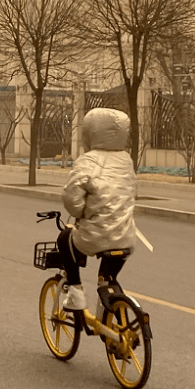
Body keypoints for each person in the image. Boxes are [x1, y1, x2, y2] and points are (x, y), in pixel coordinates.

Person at [57, 107, 138, 311]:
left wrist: (81, 212)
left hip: (96, 234)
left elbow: (72, 197)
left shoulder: (88, 160)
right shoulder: (126, 160)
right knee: (108, 278)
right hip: (126, 236)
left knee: (65, 239)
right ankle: (111, 314)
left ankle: (75, 293)